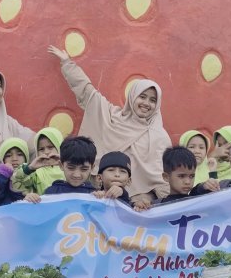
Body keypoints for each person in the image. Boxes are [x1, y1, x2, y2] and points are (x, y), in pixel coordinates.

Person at [48, 46, 172, 205]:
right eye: (142, 97)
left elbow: (164, 179)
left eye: (153, 100)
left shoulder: (160, 137)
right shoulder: (111, 116)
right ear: (133, 96)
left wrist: (144, 199)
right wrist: (67, 63)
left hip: (137, 209)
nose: (146, 103)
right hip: (99, 199)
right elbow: (87, 92)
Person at [11, 127, 64, 195]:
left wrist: (65, 161)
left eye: (50, 147)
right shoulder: (35, 173)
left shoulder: (69, 167)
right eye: (41, 149)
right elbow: (16, 183)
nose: (46, 152)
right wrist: (29, 168)